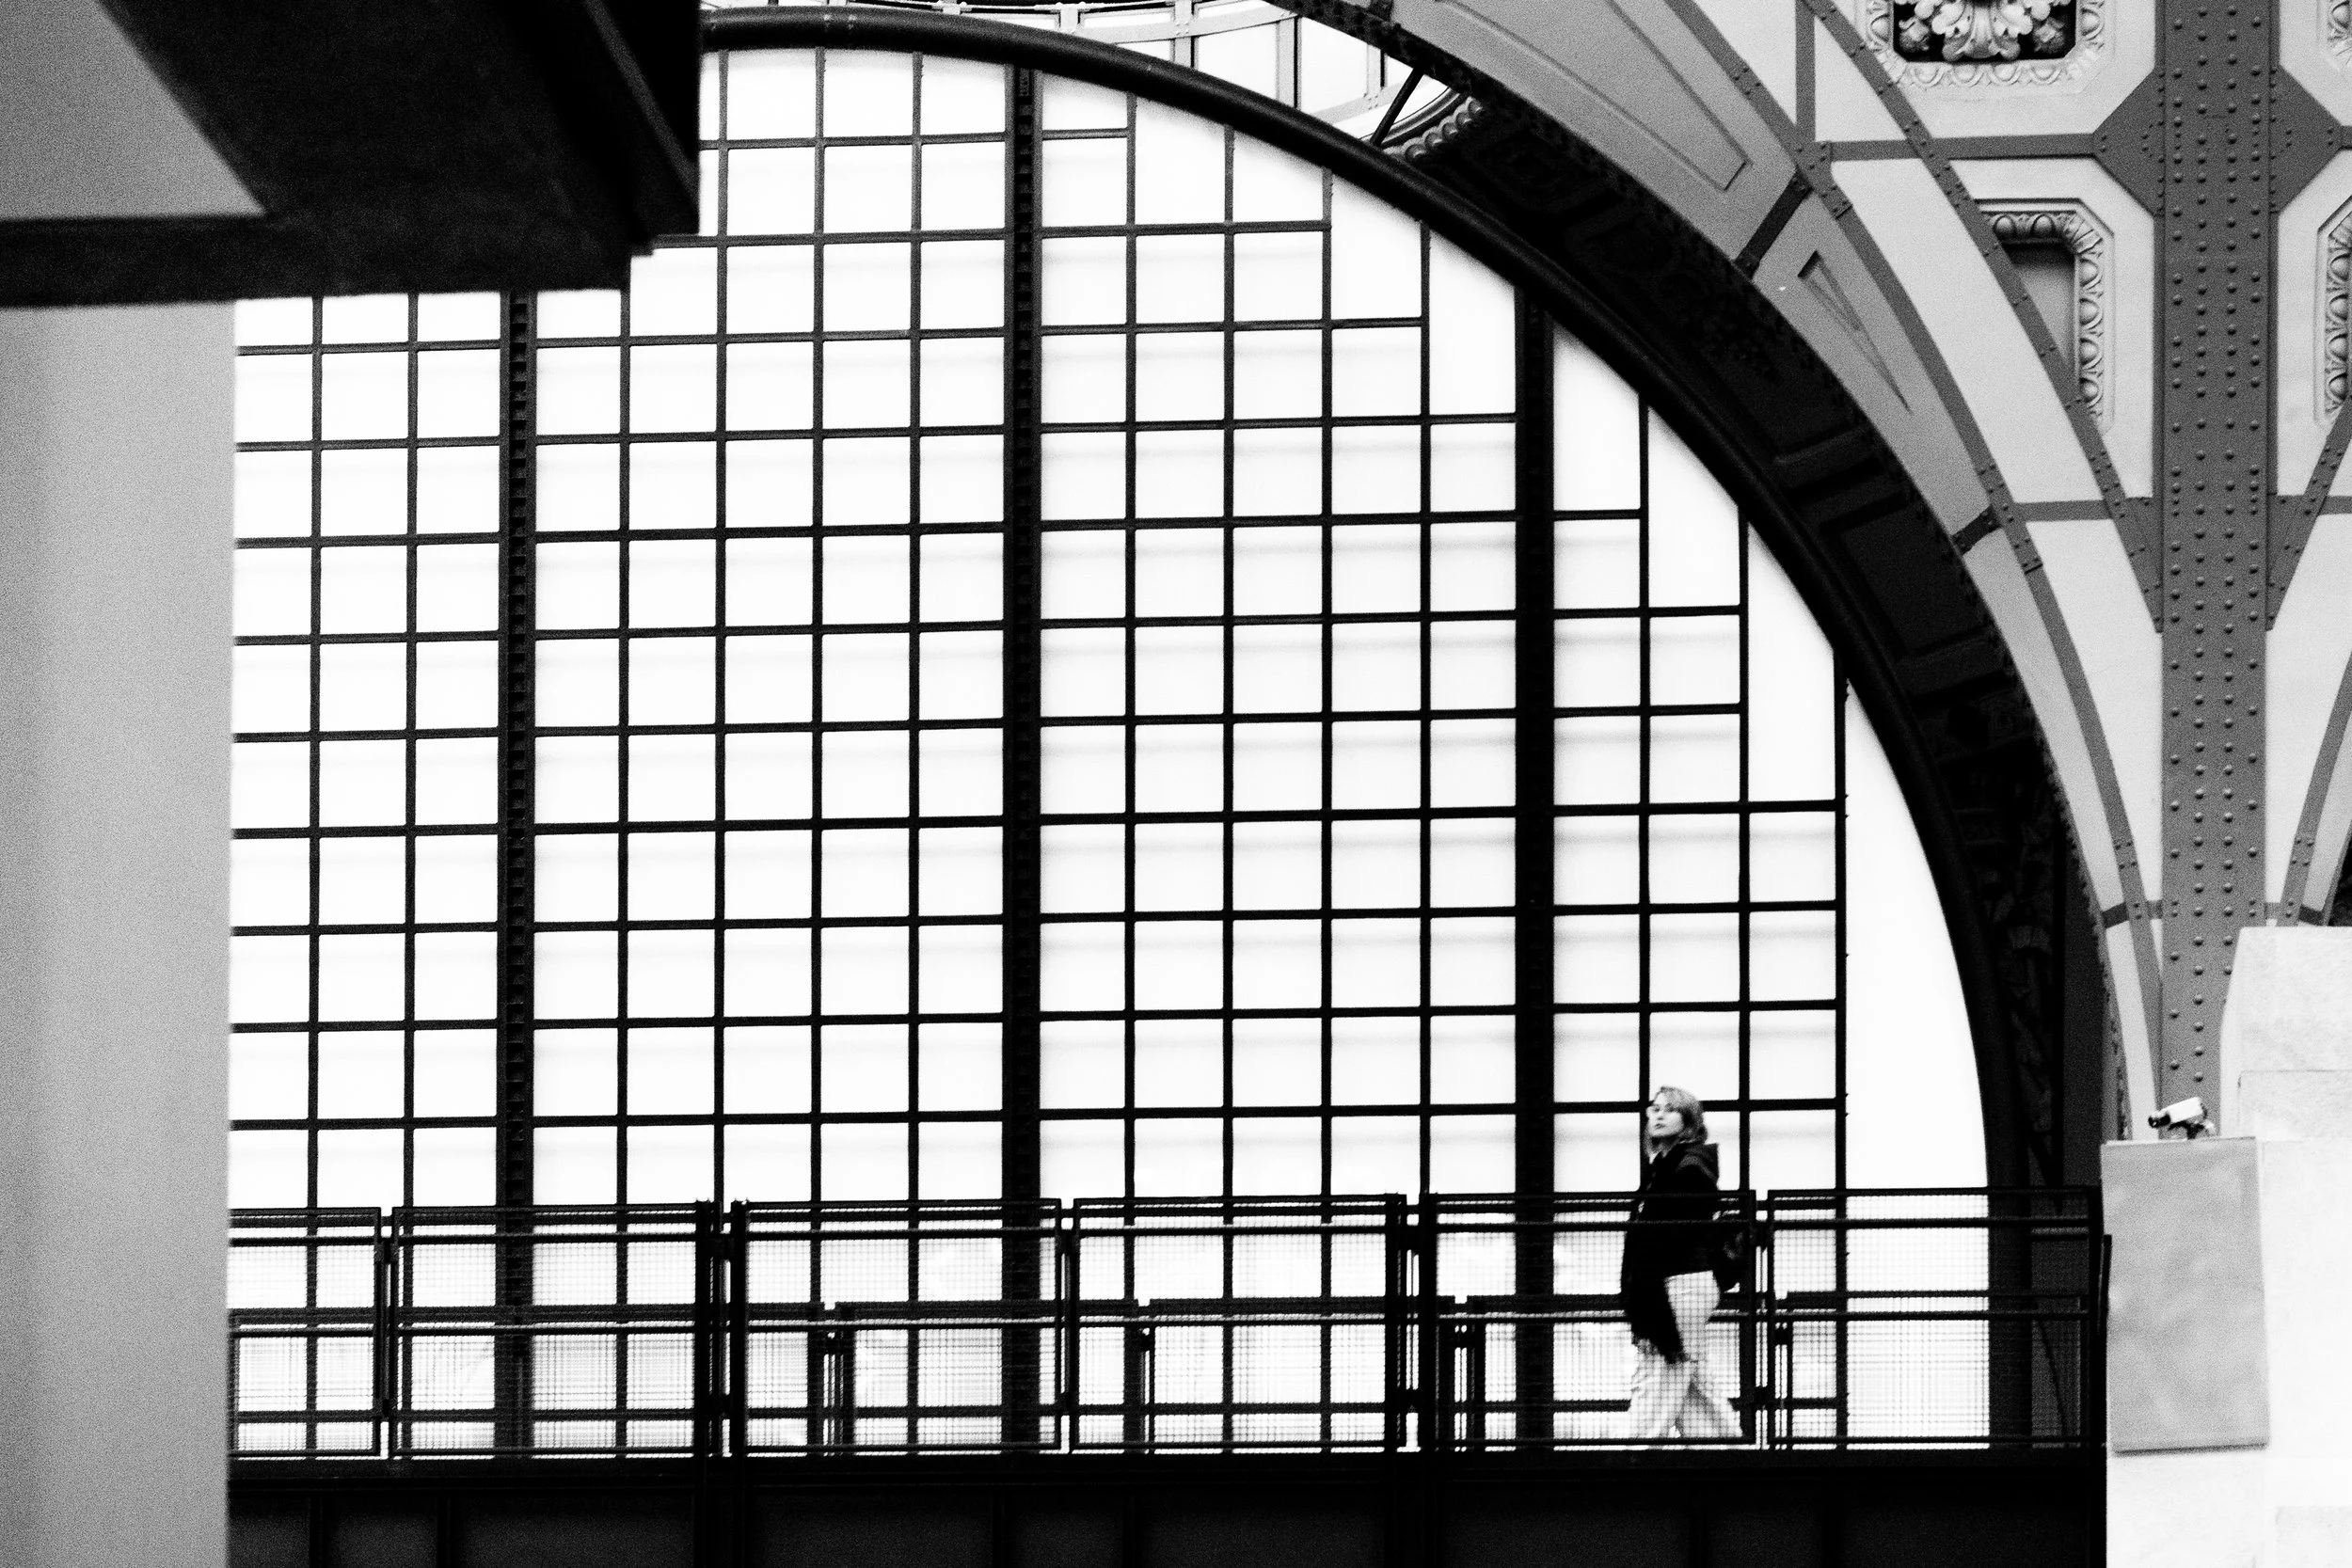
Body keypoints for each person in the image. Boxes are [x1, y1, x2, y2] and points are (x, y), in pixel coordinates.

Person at [1619, 1085, 1741, 1441]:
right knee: (1692, 1384)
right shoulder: (1672, 1167)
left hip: (1679, 1284)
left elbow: (1661, 1244)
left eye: (1669, 1110)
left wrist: (1648, 1317)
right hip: (1682, 1284)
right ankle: (1726, 1457)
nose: (1657, 1115)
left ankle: (1628, 1459)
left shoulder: (1686, 1169)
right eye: (1654, 1108)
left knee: (1660, 1373)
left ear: (1688, 1121)